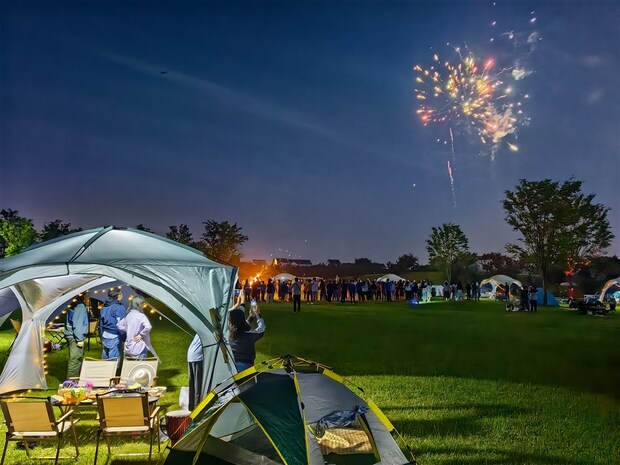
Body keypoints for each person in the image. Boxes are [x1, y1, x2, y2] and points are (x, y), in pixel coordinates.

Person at [228, 294, 265, 372]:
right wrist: (258, 314)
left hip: (231, 367)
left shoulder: (228, 333)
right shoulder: (248, 336)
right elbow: (261, 330)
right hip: (247, 368)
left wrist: (251, 316)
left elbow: (241, 326)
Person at [117, 295, 158, 359]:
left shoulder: (128, 315)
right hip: (139, 346)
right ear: (140, 304)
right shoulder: (141, 316)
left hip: (128, 346)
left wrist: (128, 329)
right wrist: (141, 335)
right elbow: (148, 327)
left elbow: (119, 325)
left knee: (129, 367)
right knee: (139, 368)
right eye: (143, 303)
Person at [66, 295, 89, 378]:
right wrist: (80, 339)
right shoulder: (80, 307)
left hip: (71, 334)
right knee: (76, 359)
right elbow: (78, 324)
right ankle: (71, 383)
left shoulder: (73, 305)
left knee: (76, 359)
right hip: (75, 336)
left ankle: (75, 380)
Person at [100, 288, 127, 359]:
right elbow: (121, 325)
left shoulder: (104, 307)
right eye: (121, 294)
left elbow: (101, 324)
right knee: (113, 361)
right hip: (115, 335)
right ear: (119, 295)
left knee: (105, 359)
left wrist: (101, 336)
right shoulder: (119, 308)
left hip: (105, 335)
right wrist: (124, 338)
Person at [187, 334, 203, 410]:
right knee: (198, 386)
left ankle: (191, 409)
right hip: (198, 357)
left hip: (191, 355)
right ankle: (197, 408)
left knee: (192, 385)